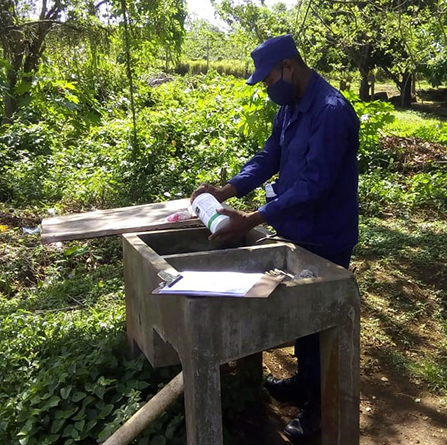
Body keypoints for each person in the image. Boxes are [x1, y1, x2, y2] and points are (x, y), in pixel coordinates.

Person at [190, 34, 360, 442]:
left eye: (267, 80)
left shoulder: (331, 111)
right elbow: (269, 158)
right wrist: (225, 191)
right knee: (304, 316)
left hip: (327, 233)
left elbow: (314, 184)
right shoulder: (290, 108)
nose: (268, 89)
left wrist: (250, 218)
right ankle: (305, 382)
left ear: (289, 66)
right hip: (297, 229)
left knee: (321, 320)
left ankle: (320, 407)